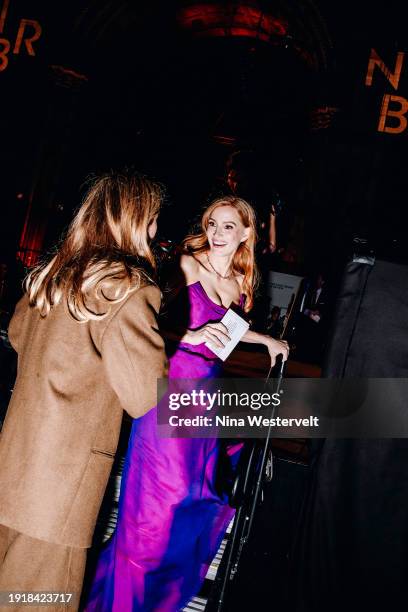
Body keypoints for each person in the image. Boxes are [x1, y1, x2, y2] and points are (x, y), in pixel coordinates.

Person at [85, 195, 289, 612]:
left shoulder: (241, 282)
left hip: (206, 394)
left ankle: (159, 586)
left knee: (194, 496)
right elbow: (143, 321)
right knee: (156, 505)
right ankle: (121, 598)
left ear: (247, 233)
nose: (216, 233)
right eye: (212, 223)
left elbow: (225, 332)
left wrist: (264, 338)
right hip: (172, 388)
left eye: (228, 226)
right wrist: (187, 336)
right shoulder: (187, 264)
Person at [0, 171, 168, 611]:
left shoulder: (53, 275)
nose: (155, 230)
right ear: (133, 221)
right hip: (61, 492)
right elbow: (144, 395)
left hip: (12, 469)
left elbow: (18, 336)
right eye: (152, 220)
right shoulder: (129, 288)